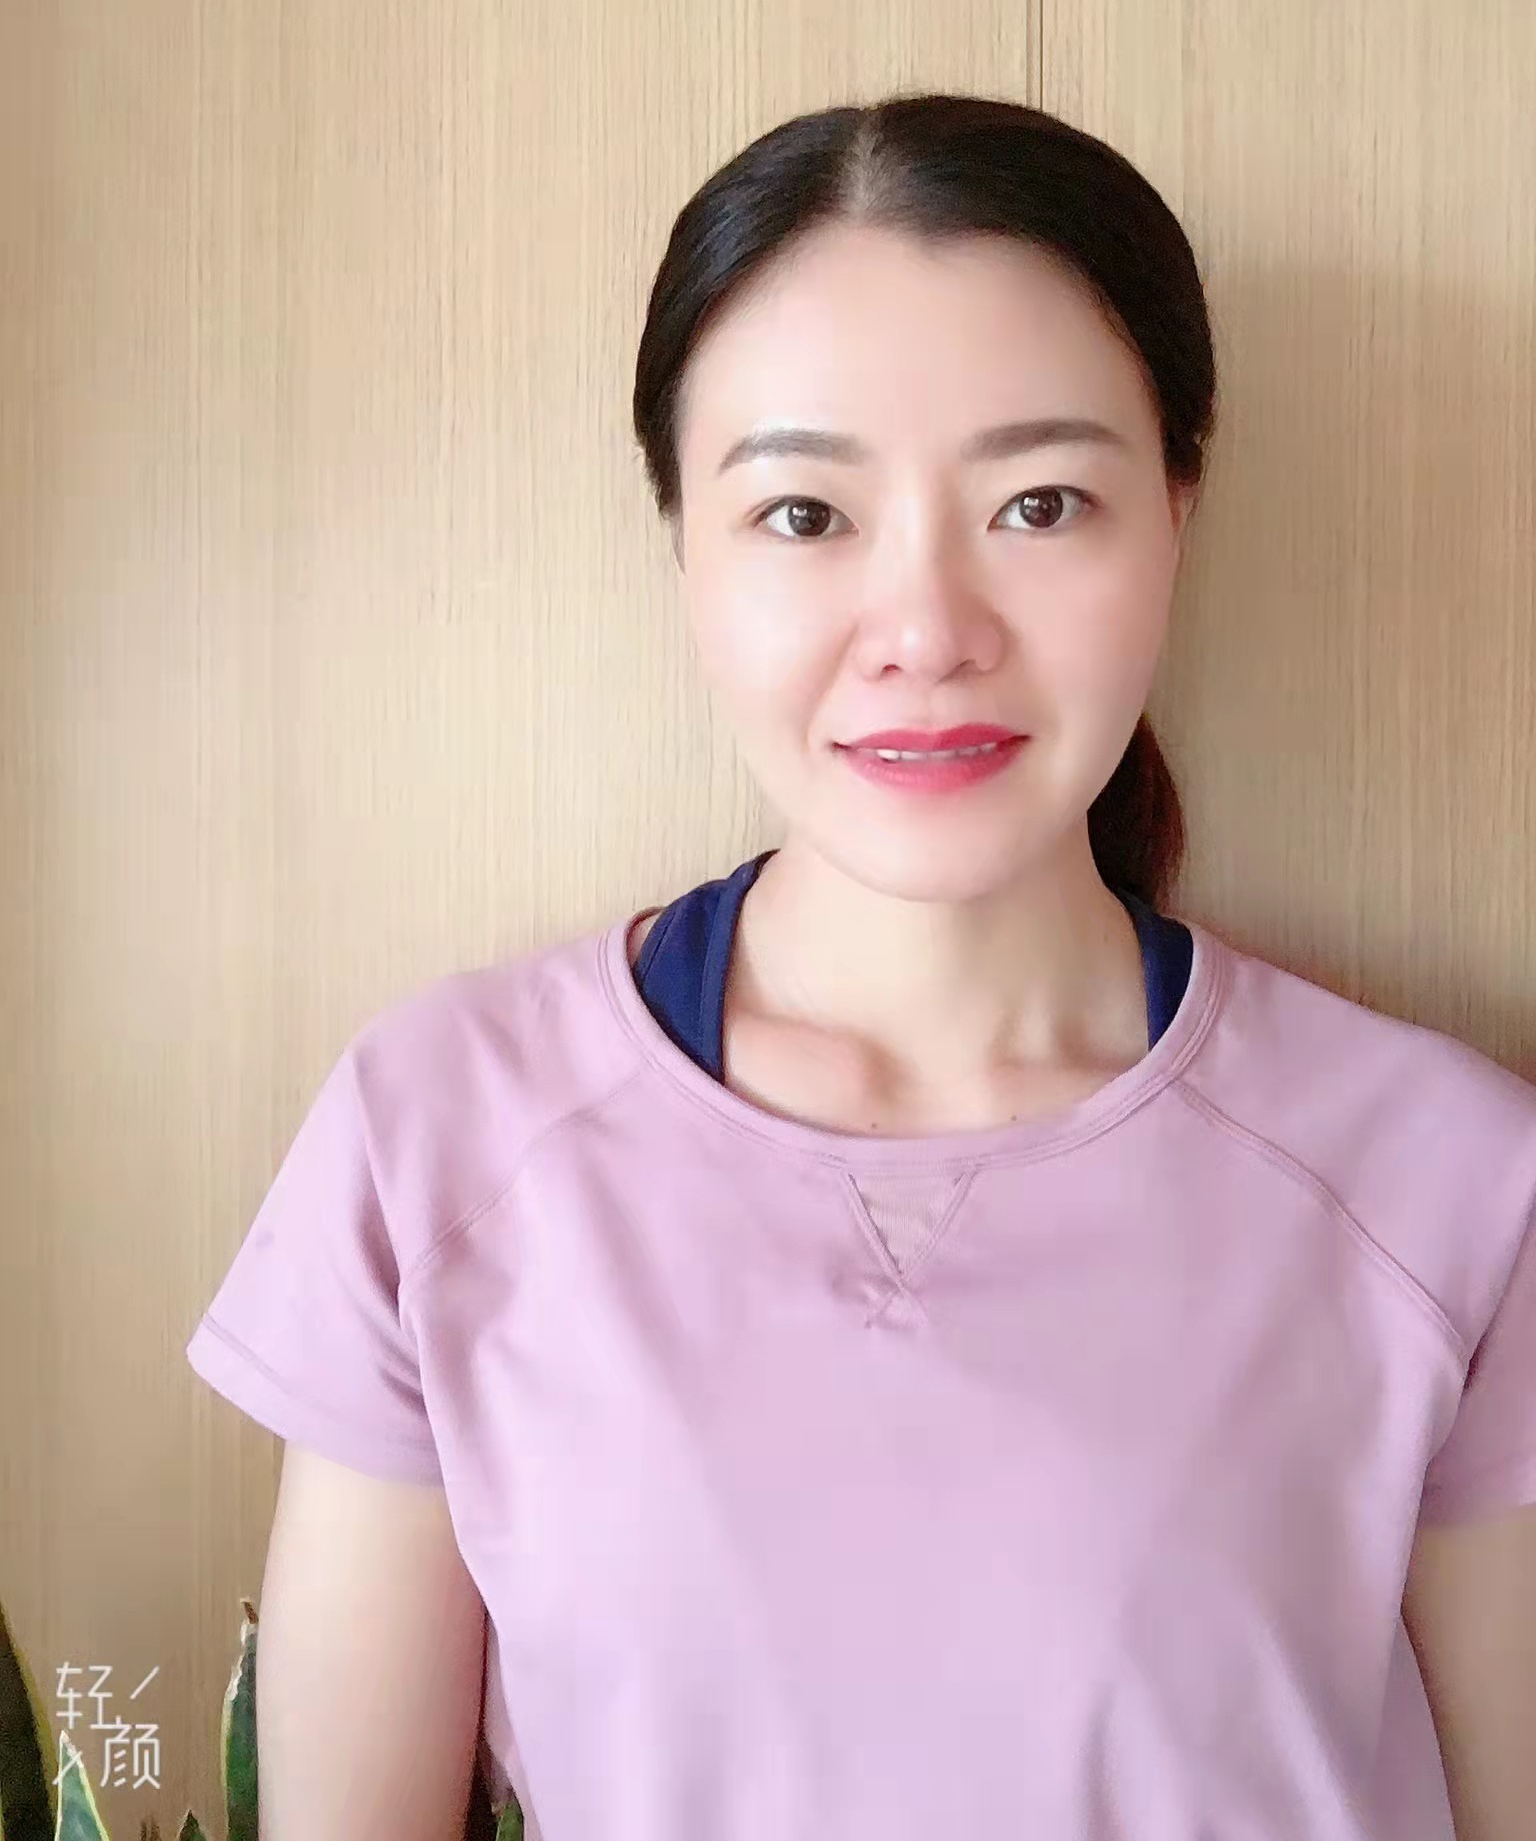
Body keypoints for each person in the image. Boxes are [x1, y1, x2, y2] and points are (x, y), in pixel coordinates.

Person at [186, 94, 1536, 1841]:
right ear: (682, 541)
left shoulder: (1448, 1181)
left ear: (1177, 511)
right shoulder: (435, 1137)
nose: (927, 632)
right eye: (805, 515)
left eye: (1040, 502)